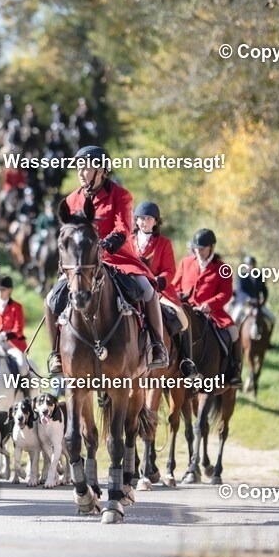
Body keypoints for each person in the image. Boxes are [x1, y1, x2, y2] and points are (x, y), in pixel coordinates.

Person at [45, 146, 169, 375]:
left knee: (147, 290)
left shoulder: (120, 195)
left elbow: (123, 227)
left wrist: (106, 244)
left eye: (86, 167)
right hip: (84, 263)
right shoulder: (72, 199)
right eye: (79, 168)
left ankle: (157, 345)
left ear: (101, 170)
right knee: (51, 298)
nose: (81, 173)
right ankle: (55, 355)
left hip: (118, 257)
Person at [131, 201, 200, 381]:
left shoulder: (163, 243)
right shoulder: (126, 241)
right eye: (141, 218)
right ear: (136, 220)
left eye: (148, 219)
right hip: (130, 289)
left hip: (159, 290)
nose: (144, 222)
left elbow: (170, 270)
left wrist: (159, 281)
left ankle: (186, 361)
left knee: (183, 319)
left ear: (156, 222)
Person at [173, 229, 242, 389]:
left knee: (233, 332)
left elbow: (226, 293)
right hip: (186, 310)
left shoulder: (223, 268)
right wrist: (178, 295)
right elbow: (175, 285)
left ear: (211, 247)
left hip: (213, 313)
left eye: (202, 249)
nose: (199, 252)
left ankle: (234, 371)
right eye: (196, 249)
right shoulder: (186, 262)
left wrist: (210, 305)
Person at [0, 275, 29, 373]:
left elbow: (18, 329)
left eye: (3, 289)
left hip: (13, 344)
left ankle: (24, 387)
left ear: (10, 290)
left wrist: (4, 335)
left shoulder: (17, 307)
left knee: (21, 364)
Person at [231, 256, 276, 335]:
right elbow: (240, 291)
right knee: (234, 319)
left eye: (252, 264)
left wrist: (263, 300)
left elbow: (264, 290)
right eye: (249, 264)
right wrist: (247, 299)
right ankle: (233, 341)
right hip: (244, 304)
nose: (251, 266)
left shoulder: (259, 276)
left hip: (257, 304)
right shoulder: (241, 276)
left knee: (272, 319)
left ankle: (268, 341)